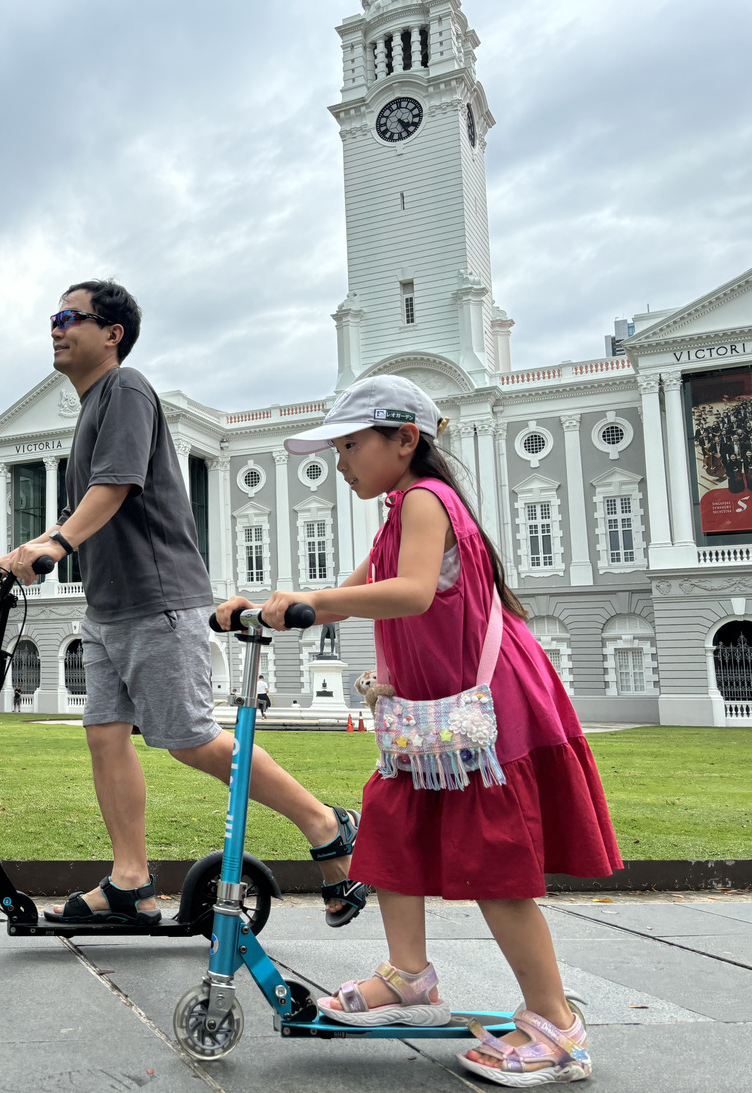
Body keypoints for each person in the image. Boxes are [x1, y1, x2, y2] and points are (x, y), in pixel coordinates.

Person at [217, 375, 620, 1086]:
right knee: (391, 828)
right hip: (432, 720)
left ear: (405, 439)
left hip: (484, 714)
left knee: (496, 867)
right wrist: (276, 606)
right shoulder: (397, 514)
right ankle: (408, 973)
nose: (340, 462)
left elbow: (407, 591)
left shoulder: (428, 500)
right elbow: (347, 594)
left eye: (350, 444)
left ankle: (558, 1026)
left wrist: (309, 601)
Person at [0, 279, 368, 928]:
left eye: (67, 317)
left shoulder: (126, 389)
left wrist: (51, 542)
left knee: (190, 739)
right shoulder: (89, 411)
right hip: (107, 609)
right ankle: (131, 882)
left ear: (111, 333)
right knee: (105, 735)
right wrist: (17, 554)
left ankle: (326, 822)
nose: (55, 328)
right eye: (52, 318)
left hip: (157, 601)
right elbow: (92, 504)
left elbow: (116, 485)